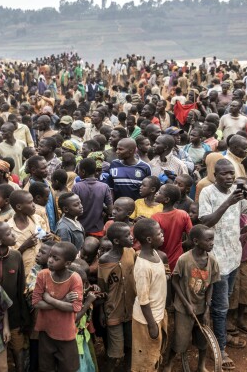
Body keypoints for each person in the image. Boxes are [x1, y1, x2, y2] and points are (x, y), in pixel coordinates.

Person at [198, 158, 247, 370]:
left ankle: (217, 334)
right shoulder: (208, 192)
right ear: (215, 175)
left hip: (233, 256)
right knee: (221, 306)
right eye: (224, 174)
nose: (229, 177)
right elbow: (206, 221)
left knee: (225, 300)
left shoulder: (237, 191)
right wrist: (228, 203)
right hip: (216, 259)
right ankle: (221, 348)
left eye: (231, 174)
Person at [163, 225, 220, 372]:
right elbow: (174, 282)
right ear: (195, 241)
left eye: (212, 239)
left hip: (201, 308)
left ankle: (201, 366)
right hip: (183, 308)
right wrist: (186, 303)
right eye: (208, 240)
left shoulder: (212, 261)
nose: (212, 243)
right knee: (180, 340)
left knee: (203, 339)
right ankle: (168, 363)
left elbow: (211, 285)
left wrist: (207, 308)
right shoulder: (184, 260)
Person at [0, 222, 30, 372]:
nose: (14, 235)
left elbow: (20, 287)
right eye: (9, 234)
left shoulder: (16, 256)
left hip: (14, 312)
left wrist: (23, 315)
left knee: (18, 348)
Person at [32, 242, 83, 372]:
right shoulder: (42, 275)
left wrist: (49, 299)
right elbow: (36, 302)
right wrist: (63, 301)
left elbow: (75, 307)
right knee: (46, 367)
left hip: (65, 333)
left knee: (68, 368)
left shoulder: (74, 279)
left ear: (67, 263)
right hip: (46, 331)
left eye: (56, 258)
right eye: (50, 256)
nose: (50, 260)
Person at [98, 222, 136, 371]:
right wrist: (102, 310)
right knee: (114, 350)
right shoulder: (105, 260)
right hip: (113, 309)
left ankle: (127, 368)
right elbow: (102, 287)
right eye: (127, 235)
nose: (131, 237)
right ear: (116, 241)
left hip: (131, 309)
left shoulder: (131, 252)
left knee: (130, 344)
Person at [131, 218, 167, 372]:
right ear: (149, 239)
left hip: (158, 314)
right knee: (144, 359)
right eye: (159, 233)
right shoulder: (143, 267)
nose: (163, 235)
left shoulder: (156, 254)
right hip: (146, 321)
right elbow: (143, 300)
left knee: (154, 353)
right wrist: (152, 325)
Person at [152, 184, 192, 270]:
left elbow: (154, 242)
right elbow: (192, 237)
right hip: (178, 259)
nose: (156, 193)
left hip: (160, 259)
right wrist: (180, 245)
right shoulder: (183, 214)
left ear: (166, 199)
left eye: (159, 192)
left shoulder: (156, 217)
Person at [72, 158, 113, 237]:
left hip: (80, 229)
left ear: (83, 172)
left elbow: (72, 207)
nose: (77, 172)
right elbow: (110, 210)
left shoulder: (76, 187)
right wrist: (100, 206)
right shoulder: (104, 187)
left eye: (78, 170)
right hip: (97, 230)